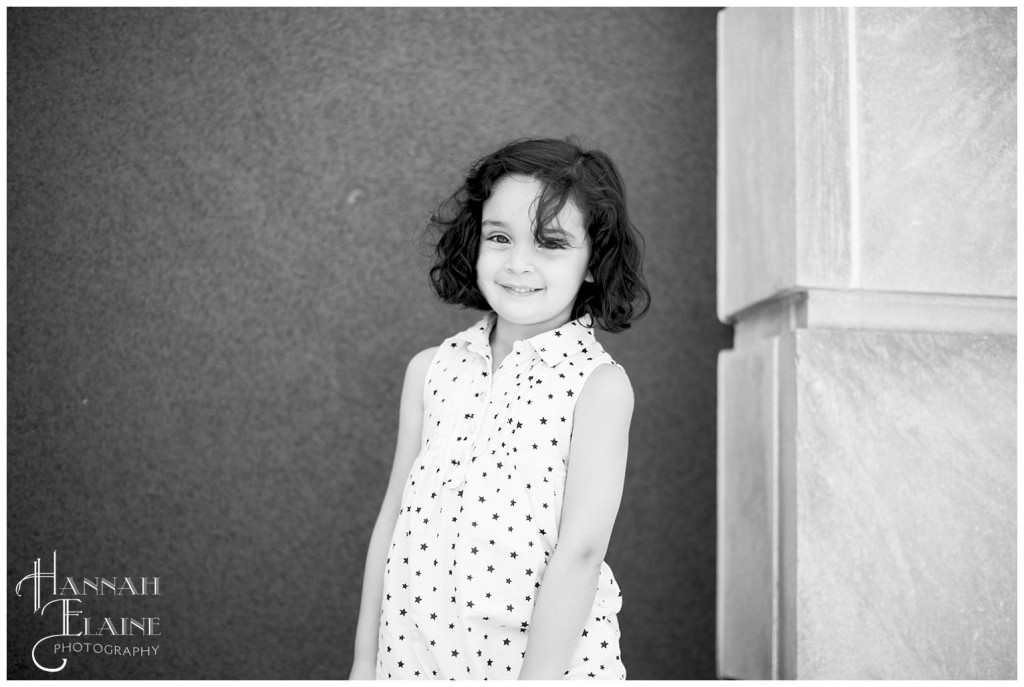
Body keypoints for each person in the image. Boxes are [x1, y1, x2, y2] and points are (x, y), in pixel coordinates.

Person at [349, 138, 650, 680]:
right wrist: (363, 664)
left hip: (536, 669)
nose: (518, 263)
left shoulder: (598, 387)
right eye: (499, 237)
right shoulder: (431, 371)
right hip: (416, 662)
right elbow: (392, 520)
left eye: (551, 243)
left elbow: (581, 553)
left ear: (592, 263)